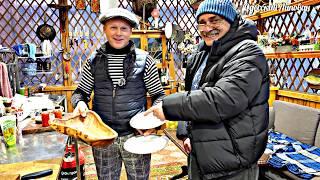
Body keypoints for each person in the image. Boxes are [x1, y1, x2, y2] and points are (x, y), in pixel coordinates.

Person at [145, 0, 270, 179]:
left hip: (233, 160)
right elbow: (192, 91)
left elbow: (222, 99)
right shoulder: (201, 52)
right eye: (201, 22)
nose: (207, 27)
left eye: (214, 20)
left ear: (230, 20)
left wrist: (167, 108)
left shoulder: (248, 52)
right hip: (201, 153)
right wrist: (185, 134)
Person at [71, 8, 165, 180]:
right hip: (103, 136)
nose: (118, 33)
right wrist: (79, 103)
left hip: (136, 136)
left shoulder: (145, 60)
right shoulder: (93, 60)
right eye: (113, 27)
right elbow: (80, 93)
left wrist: (154, 123)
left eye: (124, 28)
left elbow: (159, 96)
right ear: (104, 29)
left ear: (131, 31)